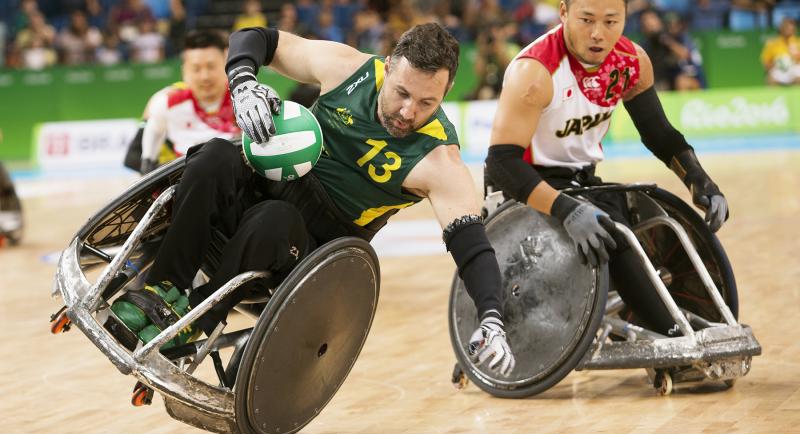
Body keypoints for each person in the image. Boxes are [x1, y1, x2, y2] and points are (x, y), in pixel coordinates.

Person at [109, 23, 516, 377]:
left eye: (428, 103)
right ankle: (163, 287)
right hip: (268, 184)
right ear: (388, 66)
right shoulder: (349, 69)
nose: (408, 112)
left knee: (274, 218)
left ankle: (197, 316)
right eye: (402, 93)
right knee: (213, 155)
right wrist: (245, 83)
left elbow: (475, 251)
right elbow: (255, 39)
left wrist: (492, 318)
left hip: (312, 245)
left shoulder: (439, 161)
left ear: (445, 94)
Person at [484, 0, 729, 337]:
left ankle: (686, 320)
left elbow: (658, 133)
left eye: (612, 21)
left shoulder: (631, 62)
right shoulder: (536, 71)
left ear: (627, 18)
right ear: (564, 13)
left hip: (580, 180)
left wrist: (701, 180)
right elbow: (500, 164)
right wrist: (565, 209)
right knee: (613, 235)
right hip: (524, 183)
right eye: (586, 20)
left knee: (645, 226)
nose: (599, 33)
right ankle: (676, 339)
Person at [124, 29, 239, 174]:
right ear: (185, 71)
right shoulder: (166, 101)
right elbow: (133, 157)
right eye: (196, 69)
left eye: (211, 66)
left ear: (227, 65)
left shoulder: (245, 99)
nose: (205, 76)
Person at [761, 16, 800, 86]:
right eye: (786, 27)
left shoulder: (798, 42)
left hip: (795, 68)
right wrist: (777, 63)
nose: (789, 29)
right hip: (778, 69)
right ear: (781, 29)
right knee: (770, 78)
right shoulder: (772, 44)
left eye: (791, 27)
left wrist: (796, 56)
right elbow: (766, 63)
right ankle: (775, 97)